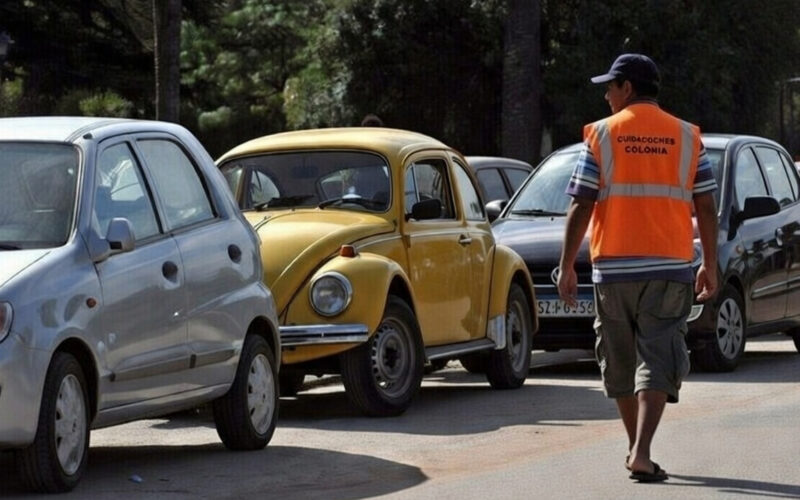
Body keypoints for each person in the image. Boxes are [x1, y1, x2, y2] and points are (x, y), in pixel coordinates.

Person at [557, 53, 719, 483]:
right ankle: (639, 450)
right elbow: (705, 204)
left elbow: (580, 203)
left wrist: (567, 265)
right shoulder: (686, 136)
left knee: (621, 361)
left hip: (613, 269)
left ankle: (639, 451)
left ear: (628, 87)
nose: (607, 95)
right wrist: (711, 265)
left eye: (610, 86)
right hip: (670, 267)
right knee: (658, 356)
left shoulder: (603, 136)